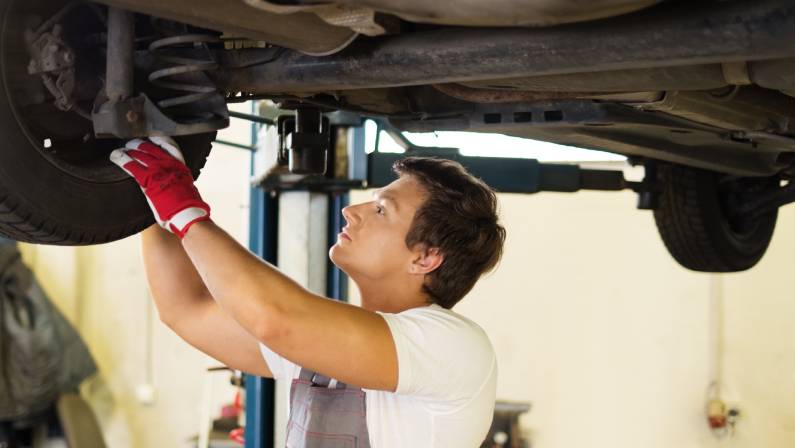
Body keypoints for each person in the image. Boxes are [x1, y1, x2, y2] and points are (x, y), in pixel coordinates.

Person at [110, 137, 506, 447]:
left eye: (382, 210)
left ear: (426, 257)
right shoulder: (330, 348)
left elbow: (276, 319)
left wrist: (182, 209)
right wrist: (147, 202)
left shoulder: (452, 346)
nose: (352, 212)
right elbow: (186, 309)